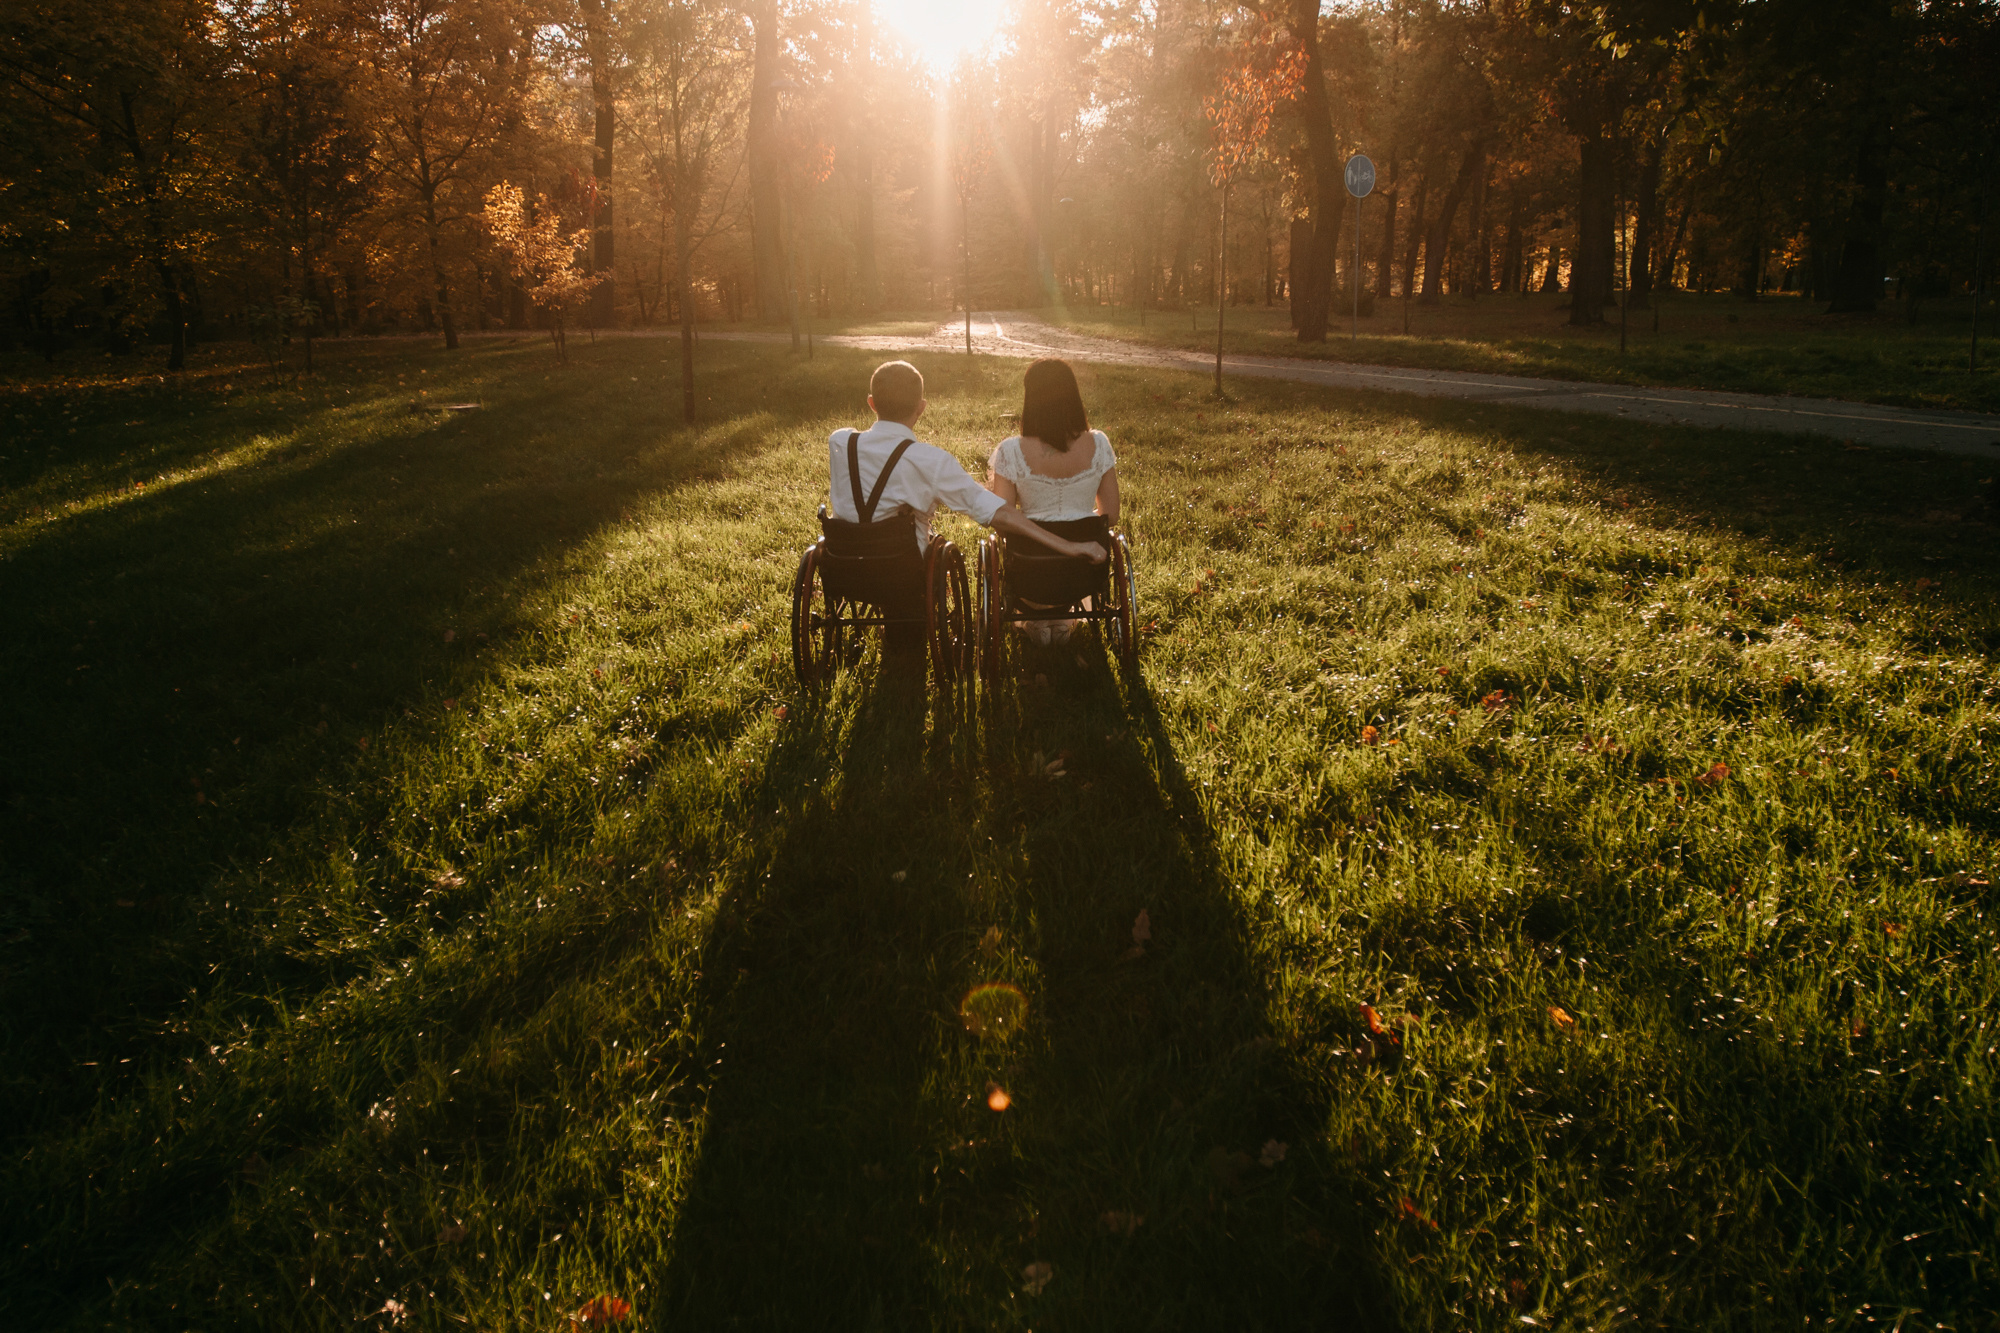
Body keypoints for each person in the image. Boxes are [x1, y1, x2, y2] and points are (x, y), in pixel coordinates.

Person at [826, 360, 1105, 656]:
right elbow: (1000, 514)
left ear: (872, 404)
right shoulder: (931, 461)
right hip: (901, 569)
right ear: (921, 407)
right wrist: (1070, 546)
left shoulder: (840, 442)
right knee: (930, 542)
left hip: (842, 563)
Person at [983, 358, 1120, 644]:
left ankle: (1042, 619)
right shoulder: (1099, 444)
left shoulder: (1011, 451)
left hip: (1030, 568)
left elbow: (1003, 522)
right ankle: (1060, 617)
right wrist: (1077, 518)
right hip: (1085, 568)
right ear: (1073, 394)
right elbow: (1111, 515)